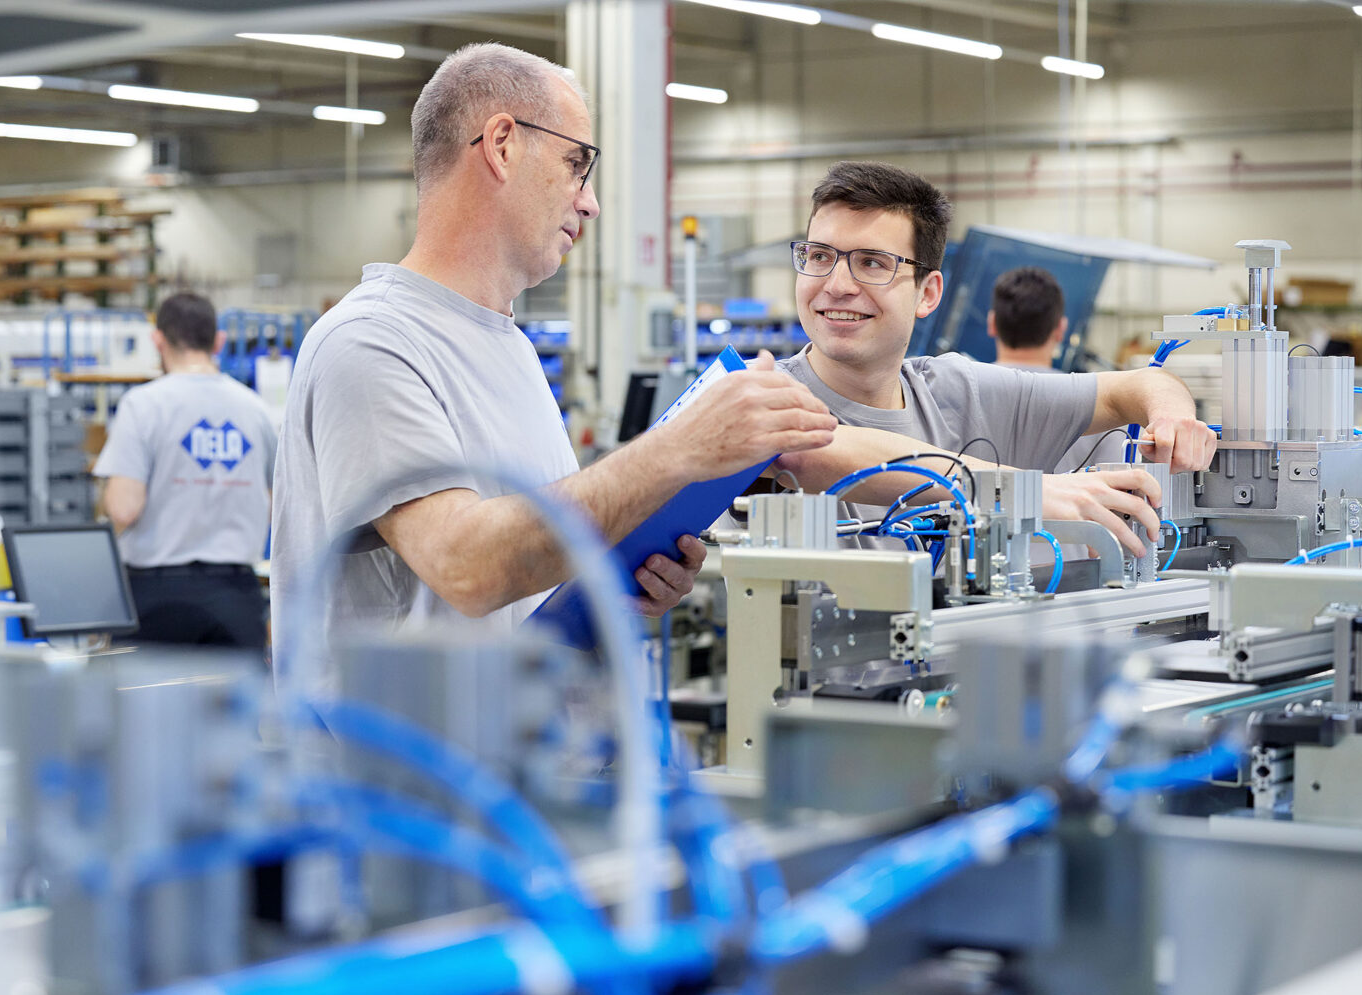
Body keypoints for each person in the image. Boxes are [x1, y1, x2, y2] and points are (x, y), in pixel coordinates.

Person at [269, 43, 837, 643]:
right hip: (399, 739)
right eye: (575, 165)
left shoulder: (506, 343)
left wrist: (614, 563)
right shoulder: (372, 341)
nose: (589, 202)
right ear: (502, 144)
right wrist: (676, 450)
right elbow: (465, 569)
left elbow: (518, 567)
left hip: (519, 728)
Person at [776, 161, 1218, 558]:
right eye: (819, 257)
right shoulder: (756, 394)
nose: (836, 284)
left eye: (872, 263)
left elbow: (1141, 385)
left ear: (927, 294)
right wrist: (1027, 491)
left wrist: (1173, 419)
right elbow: (805, 453)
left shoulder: (958, 391)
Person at [94, 291, 277, 649]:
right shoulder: (256, 410)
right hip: (237, 594)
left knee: (142, 703)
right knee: (237, 704)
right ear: (219, 342)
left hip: (156, 597)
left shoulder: (143, 405)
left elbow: (123, 507)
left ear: (157, 340)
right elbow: (273, 503)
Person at [989, 265, 1124, 472]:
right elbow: (1117, 484)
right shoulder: (1100, 401)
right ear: (1061, 329)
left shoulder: (959, 393)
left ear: (992, 324)